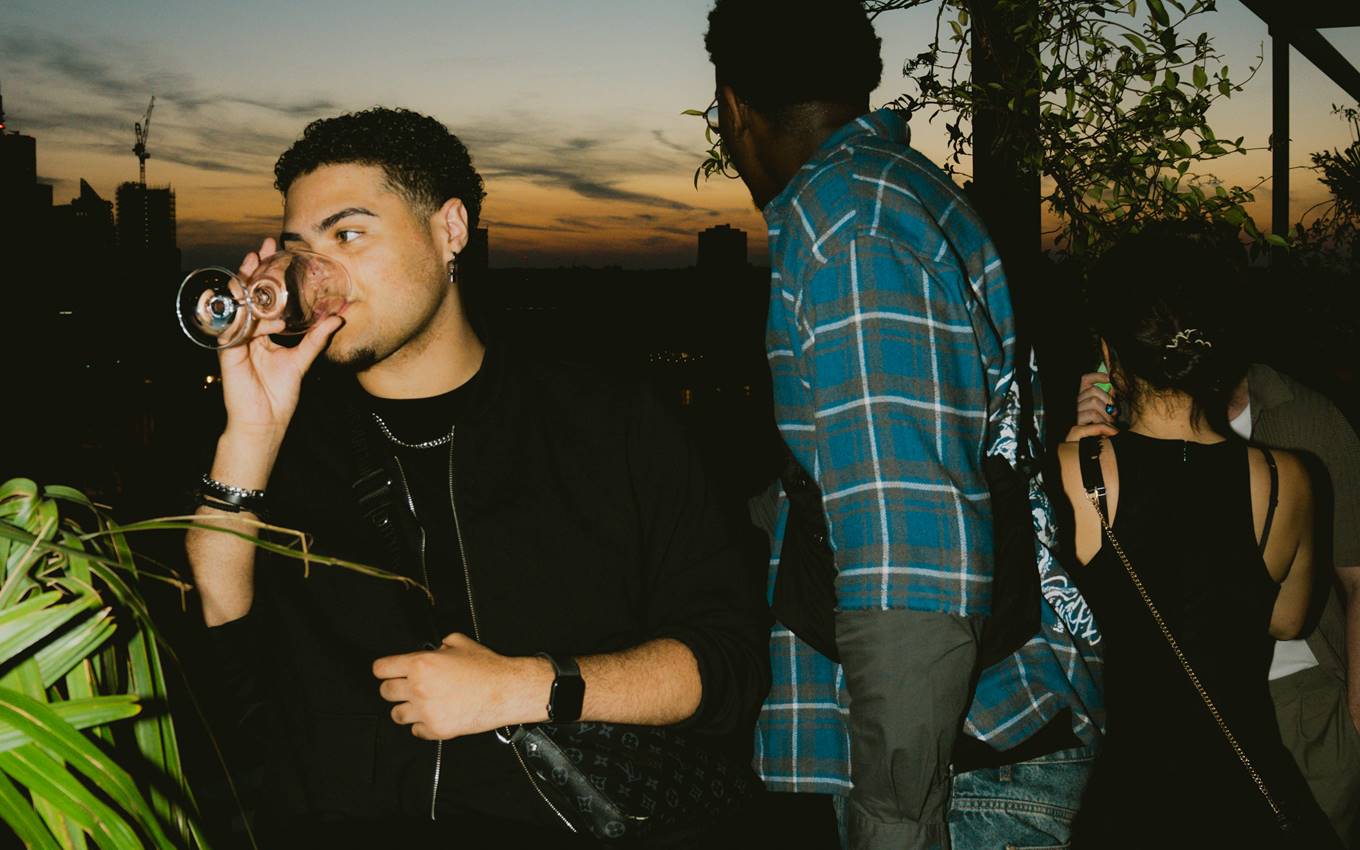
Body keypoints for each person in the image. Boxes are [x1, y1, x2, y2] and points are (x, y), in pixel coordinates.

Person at [184, 107, 771, 848]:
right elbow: (225, 644)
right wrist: (253, 431)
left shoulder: (604, 418)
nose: (318, 273)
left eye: (349, 235)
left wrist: (525, 687)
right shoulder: (293, 446)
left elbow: (726, 663)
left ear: (450, 230)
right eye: (299, 248)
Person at [703, 2, 1103, 848]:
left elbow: (911, 563)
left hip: (963, 778)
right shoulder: (896, 191)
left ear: (733, 107)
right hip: (971, 758)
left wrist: (893, 823)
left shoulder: (852, 229)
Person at [1056, 229, 1340, 848]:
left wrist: (1082, 440)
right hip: (1248, 795)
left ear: (1108, 354)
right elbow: (1288, 620)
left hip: (1132, 801)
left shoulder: (1074, 473)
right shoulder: (1288, 478)